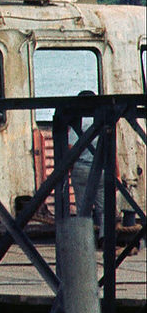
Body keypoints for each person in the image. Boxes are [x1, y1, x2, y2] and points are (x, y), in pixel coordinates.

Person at [68, 91, 105, 234]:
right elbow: (111, 151)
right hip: (101, 169)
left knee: (83, 209)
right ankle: (104, 237)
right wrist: (117, 173)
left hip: (81, 168)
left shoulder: (79, 123)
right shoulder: (103, 121)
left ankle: (86, 240)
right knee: (104, 209)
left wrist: (71, 170)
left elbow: (71, 150)